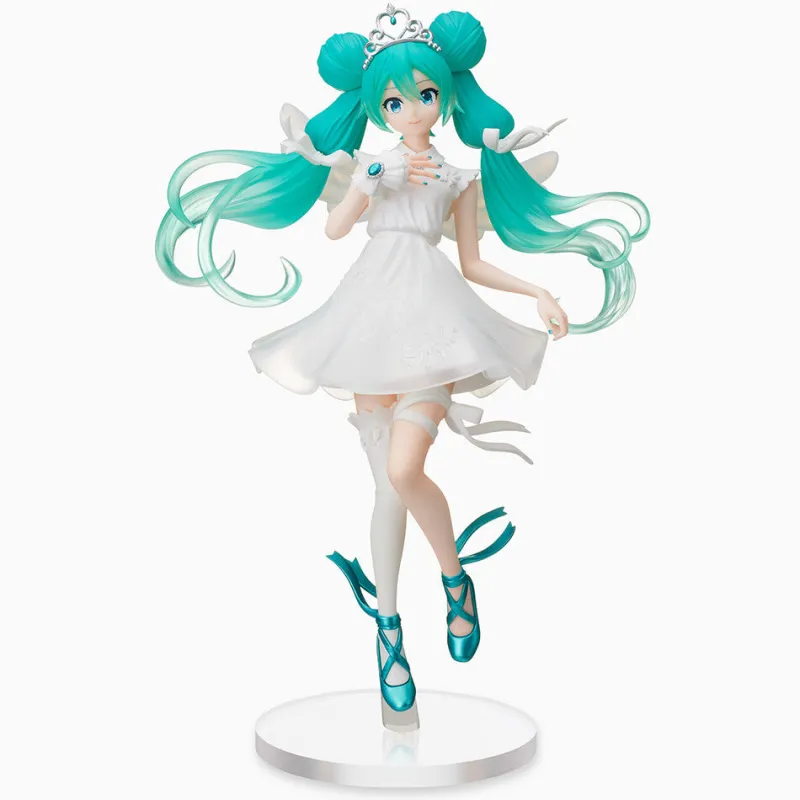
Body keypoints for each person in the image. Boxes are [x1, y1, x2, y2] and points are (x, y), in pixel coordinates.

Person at [155, 6, 650, 731]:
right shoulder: (370, 165)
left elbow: (473, 261)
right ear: (374, 107)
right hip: (367, 320)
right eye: (394, 101)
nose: (412, 109)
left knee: (404, 470)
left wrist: (537, 291)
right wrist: (367, 177)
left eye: (424, 95)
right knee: (386, 489)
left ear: (444, 97)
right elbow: (334, 228)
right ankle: (388, 631)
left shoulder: (459, 175)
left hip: (434, 321)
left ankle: (453, 576)